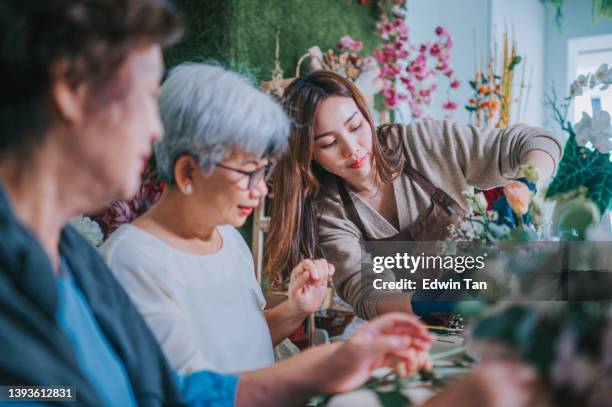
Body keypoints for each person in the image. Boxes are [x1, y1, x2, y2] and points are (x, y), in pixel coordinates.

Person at [0, 2, 435, 406]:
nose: (157, 131)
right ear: (70, 89)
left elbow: (168, 389)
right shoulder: (121, 260)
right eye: (147, 95)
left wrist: (327, 353)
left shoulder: (73, 262)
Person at [101, 63, 340, 374]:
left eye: (265, 170)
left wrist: (296, 309)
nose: (262, 189)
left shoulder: (227, 236)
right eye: (249, 171)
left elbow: (249, 347)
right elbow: (195, 390)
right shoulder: (132, 262)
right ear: (187, 171)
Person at [265, 70, 562, 321]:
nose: (351, 148)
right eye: (329, 143)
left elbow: (536, 141)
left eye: (356, 126)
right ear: (309, 154)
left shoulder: (421, 143)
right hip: (420, 328)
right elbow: (367, 295)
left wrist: (525, 185)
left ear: (367, 115)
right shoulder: (329, 211)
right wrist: (430, 301)